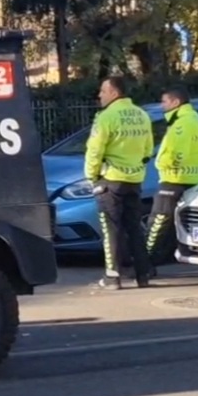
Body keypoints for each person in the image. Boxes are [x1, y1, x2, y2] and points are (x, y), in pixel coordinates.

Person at [84, 76, 155, 289]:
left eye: (103, 91)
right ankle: (143, 275)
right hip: (134, 180)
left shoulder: (106, 117)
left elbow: (95, 150)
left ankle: (112, 276)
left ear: (114, 93)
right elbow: (148, 149)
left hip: (110, 181)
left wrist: (92, 176)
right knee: (135, 229)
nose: (99, 95)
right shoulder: (142, 115)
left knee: (111, 230)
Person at [146, 87, 198, 264]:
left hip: (174, 180)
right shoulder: (197, 120)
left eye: (164, 101)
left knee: (157, 222)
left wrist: (163, 164)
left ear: (175, 102)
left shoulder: (182, 123)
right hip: (193, 179)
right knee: (179, 223)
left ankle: (145, 262)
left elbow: (177, 153)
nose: (162, 105)